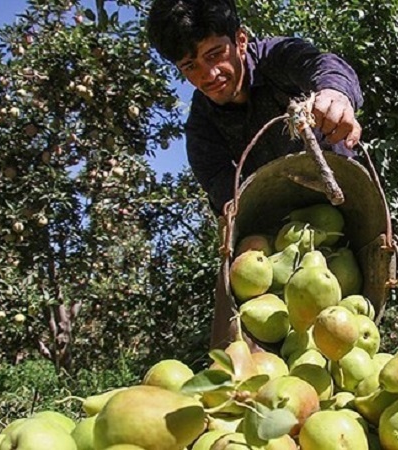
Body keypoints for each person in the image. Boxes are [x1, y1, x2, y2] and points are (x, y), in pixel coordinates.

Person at [146, 0, 364, 349]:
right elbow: (234, 204)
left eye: (215, 54)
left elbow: (324, 65)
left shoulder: (278, 60)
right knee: (240, 342)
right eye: (190, 65)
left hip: (348, 222)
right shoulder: (202, 133)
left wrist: (335, 95)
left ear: (241, 40)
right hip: (274, 250)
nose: (208, 74)